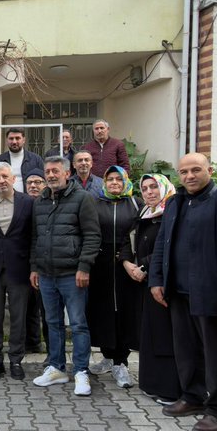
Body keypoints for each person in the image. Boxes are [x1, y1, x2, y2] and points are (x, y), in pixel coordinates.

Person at [149, 153, 217, 431]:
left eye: (196, 170)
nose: (190, 176)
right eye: (184, 172)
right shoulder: (175, 203)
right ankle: (193, 396)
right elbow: (162, 244)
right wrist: (156, 280)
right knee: (186, 350)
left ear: (210, 170)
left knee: (216, 354)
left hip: (212, 294)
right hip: (178, 291)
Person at [30, 157, 101, 396]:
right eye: (47, 171)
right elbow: (35, 238)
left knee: (79, 324)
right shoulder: (40, 201)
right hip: (46, 274)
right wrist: (34, 267)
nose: (50, 175)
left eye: (55, 171)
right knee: (53, 323)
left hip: (73, 274)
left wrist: (84, 267)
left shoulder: (83, 198)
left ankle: (81, 370)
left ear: (67, 173)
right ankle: (57, 368)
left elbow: (92, 235)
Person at [120, 174, 179, 404]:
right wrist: (127, 263)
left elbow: (170, 248)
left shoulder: (171, 213)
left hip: (163, 283)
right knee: (149, 335)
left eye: (154, 187)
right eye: (144, 188)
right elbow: (128, 240)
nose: (149, 192)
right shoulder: (145, 213)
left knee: (164, 337)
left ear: (164, 188)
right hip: (142, 283)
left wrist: (144, 266)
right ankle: (151, 383)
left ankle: (170, 389)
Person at [0, 162, 35, 381]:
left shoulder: (28, 202)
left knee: (19, 318)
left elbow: (34, 237)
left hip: (20, 270)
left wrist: (34, 267)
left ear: (13, 179)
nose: (1, 181)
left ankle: (16, 360)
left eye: (4, 176)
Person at [87, 166, 140, 388]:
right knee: (102, 311)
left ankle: (121, 362)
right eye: (110, 179)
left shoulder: (136, 203)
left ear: (125, 181)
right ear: (104, 182)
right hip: (100, 266)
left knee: (123, 313)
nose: (115, 183)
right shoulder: (95, 203)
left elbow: (139, 233)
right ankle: (107, 356)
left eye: (119, 179)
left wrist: (129, 258)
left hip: (126, 266)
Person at [23, 171, 47, 354]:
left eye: (38, 182)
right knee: (27, 304)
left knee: (45, 307)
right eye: (29, 182)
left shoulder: (49, 203)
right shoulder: (21, 204)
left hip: (44, 263)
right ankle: (31, 342)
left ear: (44, 185)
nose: (33, 186)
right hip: (23, 261)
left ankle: (47, 345)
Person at [0, 127, 44, 195]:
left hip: (30, 200)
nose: (14, 142)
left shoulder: (35, 159)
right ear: (7, 140)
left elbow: (44, 182)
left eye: (17, 138)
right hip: (5, 200)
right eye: (11, 138)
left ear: (24, 140)